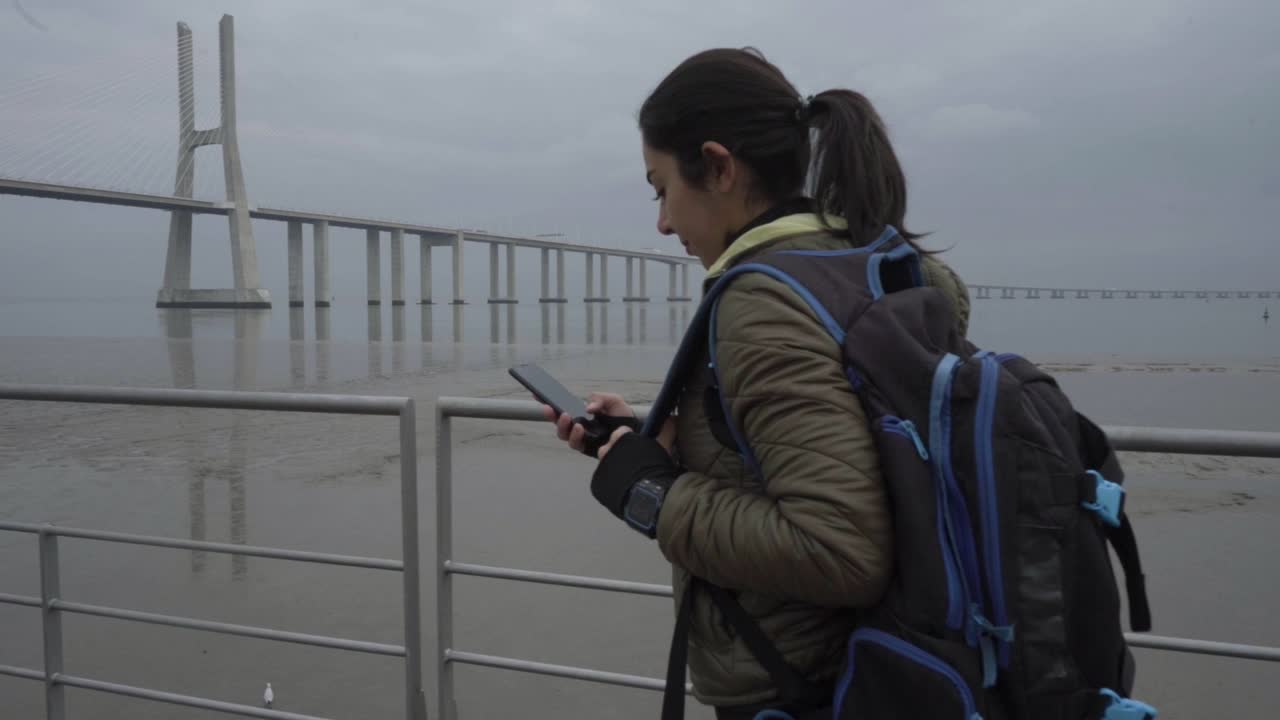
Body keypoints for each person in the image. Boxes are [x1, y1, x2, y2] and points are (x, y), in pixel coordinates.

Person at [540, 48, 971, 719]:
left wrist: (651, 491)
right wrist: (664, 442)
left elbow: (838, 548)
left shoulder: (766, 302)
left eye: (661, 189)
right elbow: (849, 453)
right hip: (908, 665)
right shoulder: (875, 267)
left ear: (717, 166)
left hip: (805, 689)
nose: (661, 222)